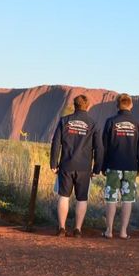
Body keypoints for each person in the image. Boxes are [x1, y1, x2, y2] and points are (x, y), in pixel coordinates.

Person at [49, 94, 103, 237]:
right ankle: (78, 230)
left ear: (74, 105)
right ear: (88, 106)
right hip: (84, 168)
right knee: (82, 198)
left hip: (66, 165)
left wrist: (53, 164)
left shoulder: (64, 120)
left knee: (64, 196)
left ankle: (61, 228)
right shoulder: (93, 124)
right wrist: (97, 169)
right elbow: (99, 148)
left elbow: (55, 143)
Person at [101, 93, 139, 239]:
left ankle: (109, 231)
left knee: (111, 198)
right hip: (131, 167)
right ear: (130, 105)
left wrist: (102, 165)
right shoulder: (138, 124)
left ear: (117, 105)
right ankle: (123, 232)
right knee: (127, 198)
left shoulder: (110, 122)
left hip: (113, 165)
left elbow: (104, 146)